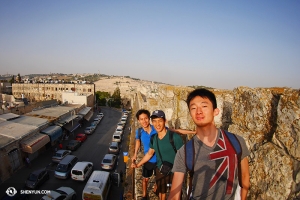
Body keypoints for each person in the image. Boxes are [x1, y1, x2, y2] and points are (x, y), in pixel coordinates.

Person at [168, 89, 250, 200]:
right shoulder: (185, 153)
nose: (198, 111)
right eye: (193, 108)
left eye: (204, 106)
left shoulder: (236, 142)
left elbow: (245, 179)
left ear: (215, 111)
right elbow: (174, 195)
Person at [132, 110, 184, 200]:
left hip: (175, 172)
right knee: (161, 193)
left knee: (176, 194)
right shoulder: (154, 138)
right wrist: (137, 164)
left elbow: (184, 156)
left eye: (160, 121)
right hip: (161, 170)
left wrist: (193, 132)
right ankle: (145, 196)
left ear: (165, 121)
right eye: (155, 121)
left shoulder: (174, 137)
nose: (157, 124)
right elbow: (149, 154)